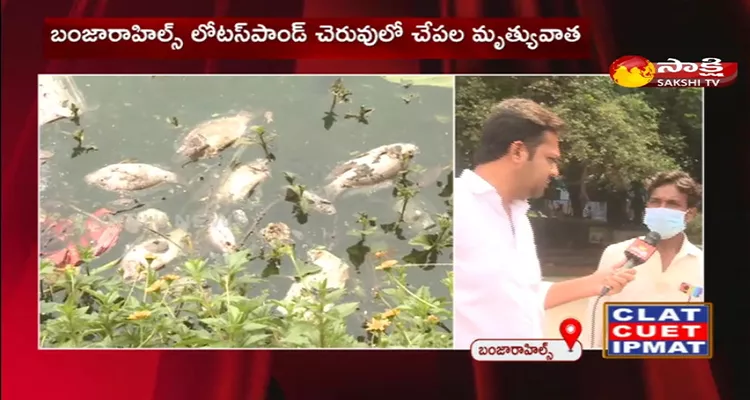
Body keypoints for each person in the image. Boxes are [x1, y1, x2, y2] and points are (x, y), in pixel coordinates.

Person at [453, 98, 636, 349]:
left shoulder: (518, 217)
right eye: (550, 159)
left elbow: (525, 297)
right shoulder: (453, 208)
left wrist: (594, 282)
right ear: (518, 151)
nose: (555, 172)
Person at [583, 170, 703, 349]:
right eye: (655, 202)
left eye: (672, 204)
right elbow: (595, 319)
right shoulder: (617, 255)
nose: (661, 209)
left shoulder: (700, 264)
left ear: (690, 214)